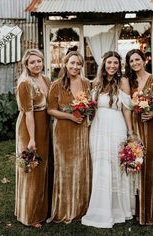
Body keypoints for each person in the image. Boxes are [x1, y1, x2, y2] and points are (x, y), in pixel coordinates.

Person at [81, 51, 134, 228]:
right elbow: (91, 108)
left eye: (116, 63)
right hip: (98, 128)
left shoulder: (123, 82)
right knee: (100, 164)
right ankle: (100, 207)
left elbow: (127, 109)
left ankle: (118, 210)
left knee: (114, 163)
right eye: (109, 63)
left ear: (119, 65)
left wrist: (131, 132)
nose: (112, 66)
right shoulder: (95, 83)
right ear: (103, 64)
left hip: (116, 126)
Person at [46, 51, 91, 223]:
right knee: (64, 168)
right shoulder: (56, 85)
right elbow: (50, 110)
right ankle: (64, 208)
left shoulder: (87, 83)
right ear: (65, 63)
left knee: (81, 167)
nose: (75, 66)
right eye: (72, 63)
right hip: (63, 130)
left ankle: (81, 207)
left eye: (78, 63)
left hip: (81, 130)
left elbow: (91, 105)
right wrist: (70, 116)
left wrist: (87, 112)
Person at [125, 49, 153, 225]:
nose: (135, 63)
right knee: (135, 162)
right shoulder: (129, 82)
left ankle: (151, 209)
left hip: (150, 125)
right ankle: (136, 208)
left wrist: (152, 114)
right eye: (131, 61)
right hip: (135, 125)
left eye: (137, 59)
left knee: (149, 163)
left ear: (144, 60)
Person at [15, 49, 51, 228]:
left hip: (45, 126)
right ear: (26, 65)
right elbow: (28, 114)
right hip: (30, 128)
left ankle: (43, 209)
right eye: (32, 62)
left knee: (44, 168)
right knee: (33, 170)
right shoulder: (25, 84)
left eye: (39, 61)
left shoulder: (45, 79)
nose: (36, 64)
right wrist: (31, 139)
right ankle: (30, 215)